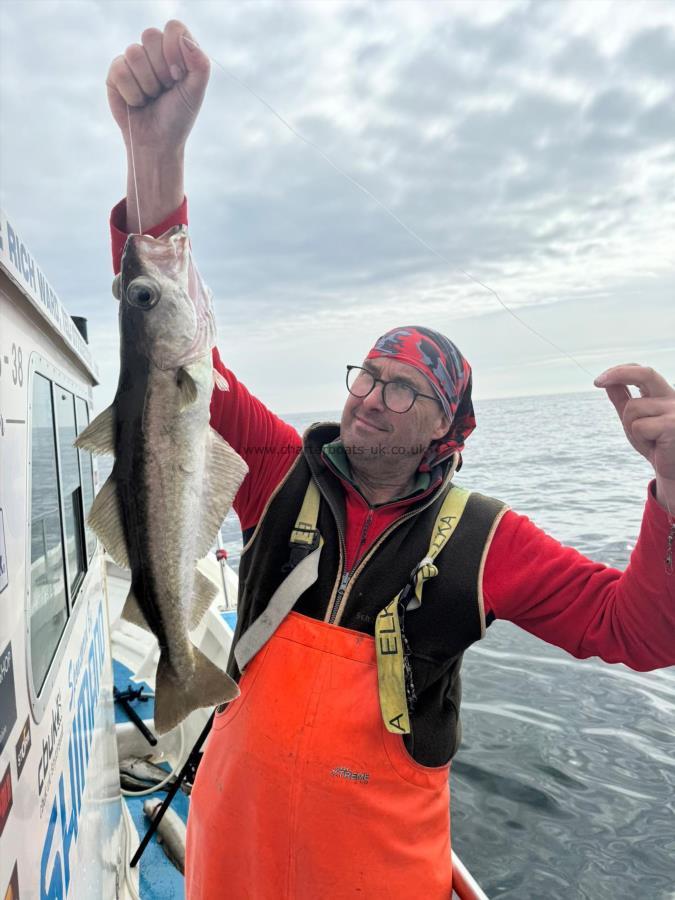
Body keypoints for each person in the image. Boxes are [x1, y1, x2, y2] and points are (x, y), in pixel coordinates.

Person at [107, 21, 675, 899]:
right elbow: (169, 360)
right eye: (367, 373)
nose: (371, 395)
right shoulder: (275, 468)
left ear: (450, 425)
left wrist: (672, 490)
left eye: (404, 387)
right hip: (234, 847)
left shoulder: (488, 542)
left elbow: (637, 632)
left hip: (378, 868)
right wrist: (156, 155)